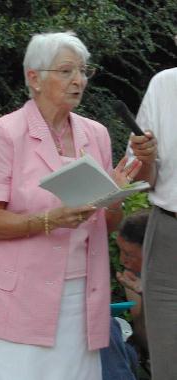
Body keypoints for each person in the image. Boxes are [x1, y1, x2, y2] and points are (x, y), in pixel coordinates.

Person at [0, 31, 141, 380]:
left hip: (81, 298)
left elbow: (105, 224)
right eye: (66, 71)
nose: (78, 80)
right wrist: (49, 219)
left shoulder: (96, 134)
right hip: (19, 300)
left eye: (83, 71)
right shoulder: (6, 132)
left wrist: (114, 196)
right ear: (34, 78)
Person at [127, 64, 177, 380]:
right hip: (168, 232)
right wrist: (145, 159)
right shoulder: (163, 84)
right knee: (168, 362)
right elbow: (146, 179)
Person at [101, 211, 149, 380]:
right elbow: (145, 340)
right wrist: (144, 294)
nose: (122, 261)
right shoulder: (134, 277)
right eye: (120, 251)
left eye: (129, 254)